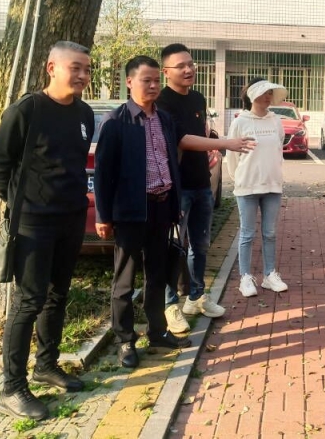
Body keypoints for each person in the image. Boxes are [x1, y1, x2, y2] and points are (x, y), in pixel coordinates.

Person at [95, 56, 253, 368]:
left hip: (162, 208)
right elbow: (103, 173)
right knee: (124, 281)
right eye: (146, 80)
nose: (153, 86)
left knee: (157, 275)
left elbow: (175, 156)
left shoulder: (164, 119)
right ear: (130, 82)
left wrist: (175, 202)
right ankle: (125, 341)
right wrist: (103, 215)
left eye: (156, 80)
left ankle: (158, 332)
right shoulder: (116, 122)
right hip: (131, 212)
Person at [0, 41, 95, 420]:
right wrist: (26, 203)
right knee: (28, 301)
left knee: (57, 295)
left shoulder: (84, 114)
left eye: (87, 69)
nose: (83, 75)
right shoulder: (27, 110)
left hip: (70, 219)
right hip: (33, 223)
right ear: (52, 68)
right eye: (75, 67)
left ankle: (47, 365)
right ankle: (12, 388)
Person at [155, 43, 224, 333]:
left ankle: (196, 297)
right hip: (177, 187)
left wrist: (211, 143)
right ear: (166, 71)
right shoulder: (162, 102)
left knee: (201, 245)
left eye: (191, 64)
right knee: (173, 247)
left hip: (201, 183)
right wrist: (225, 143)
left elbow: (199, 133)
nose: (188, 69)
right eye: (181, 66)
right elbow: (182, 139)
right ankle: (170, 304)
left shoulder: (197, 98)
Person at [226, 78, 290, 297]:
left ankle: (269, 275)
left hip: (272, 185)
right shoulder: (240, 122)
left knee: (270, 233)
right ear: (252, 95)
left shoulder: (275, 121)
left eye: (270, 93)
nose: (267, 97)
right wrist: (240, 179)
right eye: (263, 93)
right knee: (247, 234)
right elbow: (232, 156)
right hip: (247, 186)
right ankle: (245, 277)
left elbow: (278, 148)